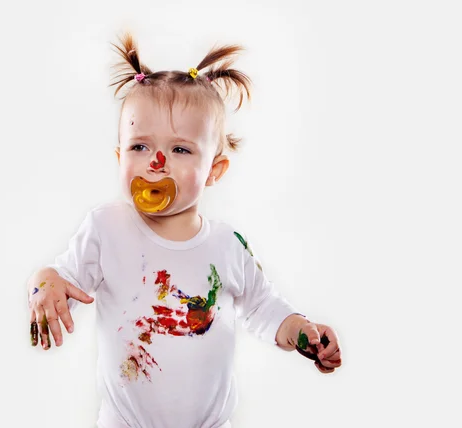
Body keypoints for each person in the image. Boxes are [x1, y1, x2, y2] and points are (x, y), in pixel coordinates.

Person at [27, 32, 342, 428]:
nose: (156, 163)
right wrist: (45, 284)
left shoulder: (227, 245)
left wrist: (301, 331)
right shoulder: (106, 228)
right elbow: (64, 281)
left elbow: (263, 307)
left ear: (214, 170)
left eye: (180, 150)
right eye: (139, 146)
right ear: (119, 155)